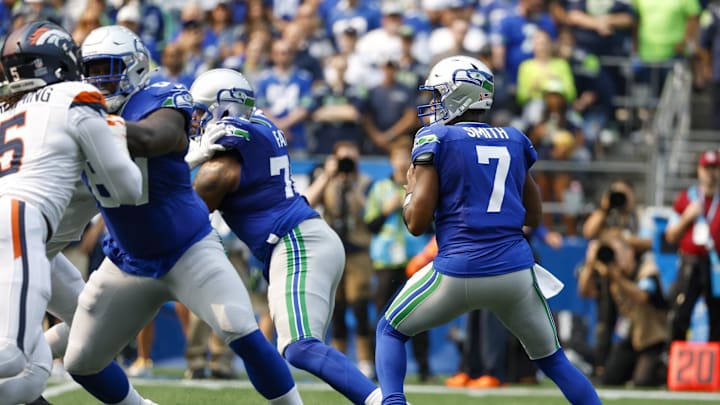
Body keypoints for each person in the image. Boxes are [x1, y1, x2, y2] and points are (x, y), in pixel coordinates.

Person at [60, 26, 303, 405]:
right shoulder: (79, 116)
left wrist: (90, 125)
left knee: (239, 328)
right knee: (81, 362)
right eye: (90, 70)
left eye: (107, 67)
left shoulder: (161, 98)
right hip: (128, 261)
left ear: (135, 67)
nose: (98, 79)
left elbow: (156, 138)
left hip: (188, 247)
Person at [375, 55, 601, 405]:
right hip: (514, 273)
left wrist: (409, 190)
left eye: (438, 95)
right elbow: (535, 217)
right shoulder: (513, 138)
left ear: (458, 95)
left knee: (389, 331)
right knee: (554, 360)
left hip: (457, 270)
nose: (432, 104)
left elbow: (417, 224)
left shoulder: (438, 138)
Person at [186, 68, 382, 405]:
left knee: (300, 346)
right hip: (303, 239)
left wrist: (190, 158)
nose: (194, 121)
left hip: (296, 242)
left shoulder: (221, 166)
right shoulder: (259, 124)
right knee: (254, 338)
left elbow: (185, 218)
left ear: (225, 111)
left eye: (202, 112)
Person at [0, 20, 146, 405]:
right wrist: (115, 131)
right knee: (17, 359)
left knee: (85, 327)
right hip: (20, 226)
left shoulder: (9, 109)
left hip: (37, 241)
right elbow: (128, 189)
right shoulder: (76, 97)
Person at [665, 149, 720, 343]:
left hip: (716, 266)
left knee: (717, 315)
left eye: (715, 168)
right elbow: (670, 235)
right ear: (699, 170)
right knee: (681, 311)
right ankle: (675, 360)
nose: (711, 173)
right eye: (707, 168)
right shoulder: (687, 198)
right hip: (690, 262)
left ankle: (716, 365)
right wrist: (687, 217)